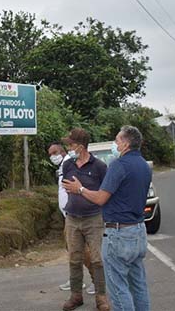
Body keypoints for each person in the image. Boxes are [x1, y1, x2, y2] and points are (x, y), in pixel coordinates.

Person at [63, 126, 152, 311]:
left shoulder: (118, 165)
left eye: (117, 140)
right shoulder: (144, 165)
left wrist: (80, 189)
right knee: (138, 285)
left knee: (118, 288)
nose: (115, 144)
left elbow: (101, 198)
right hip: (138, 230)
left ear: (126, 144)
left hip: (119, 232)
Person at [59, 128, 110, 311]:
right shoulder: (68, 165)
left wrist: (80, 189)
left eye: (71, 144)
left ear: (81, 146)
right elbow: (67, 187)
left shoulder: (99, 167)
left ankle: (101, 297)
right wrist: (74, 190)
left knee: (96, 259)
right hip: (72, 217)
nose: (69, 148)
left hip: (93, 218)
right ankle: (76, 295)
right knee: (74, 258)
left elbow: (105, 194)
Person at [48, 142, 95, 295]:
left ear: (62, 151)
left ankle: (96, 280)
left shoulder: (70, 164)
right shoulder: (63, 166)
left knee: (83, 251)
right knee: (72, 250)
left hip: (75, 216)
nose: (52, 156)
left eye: (54, 152)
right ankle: (77, 280)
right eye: (50, 154)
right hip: (68, 216)